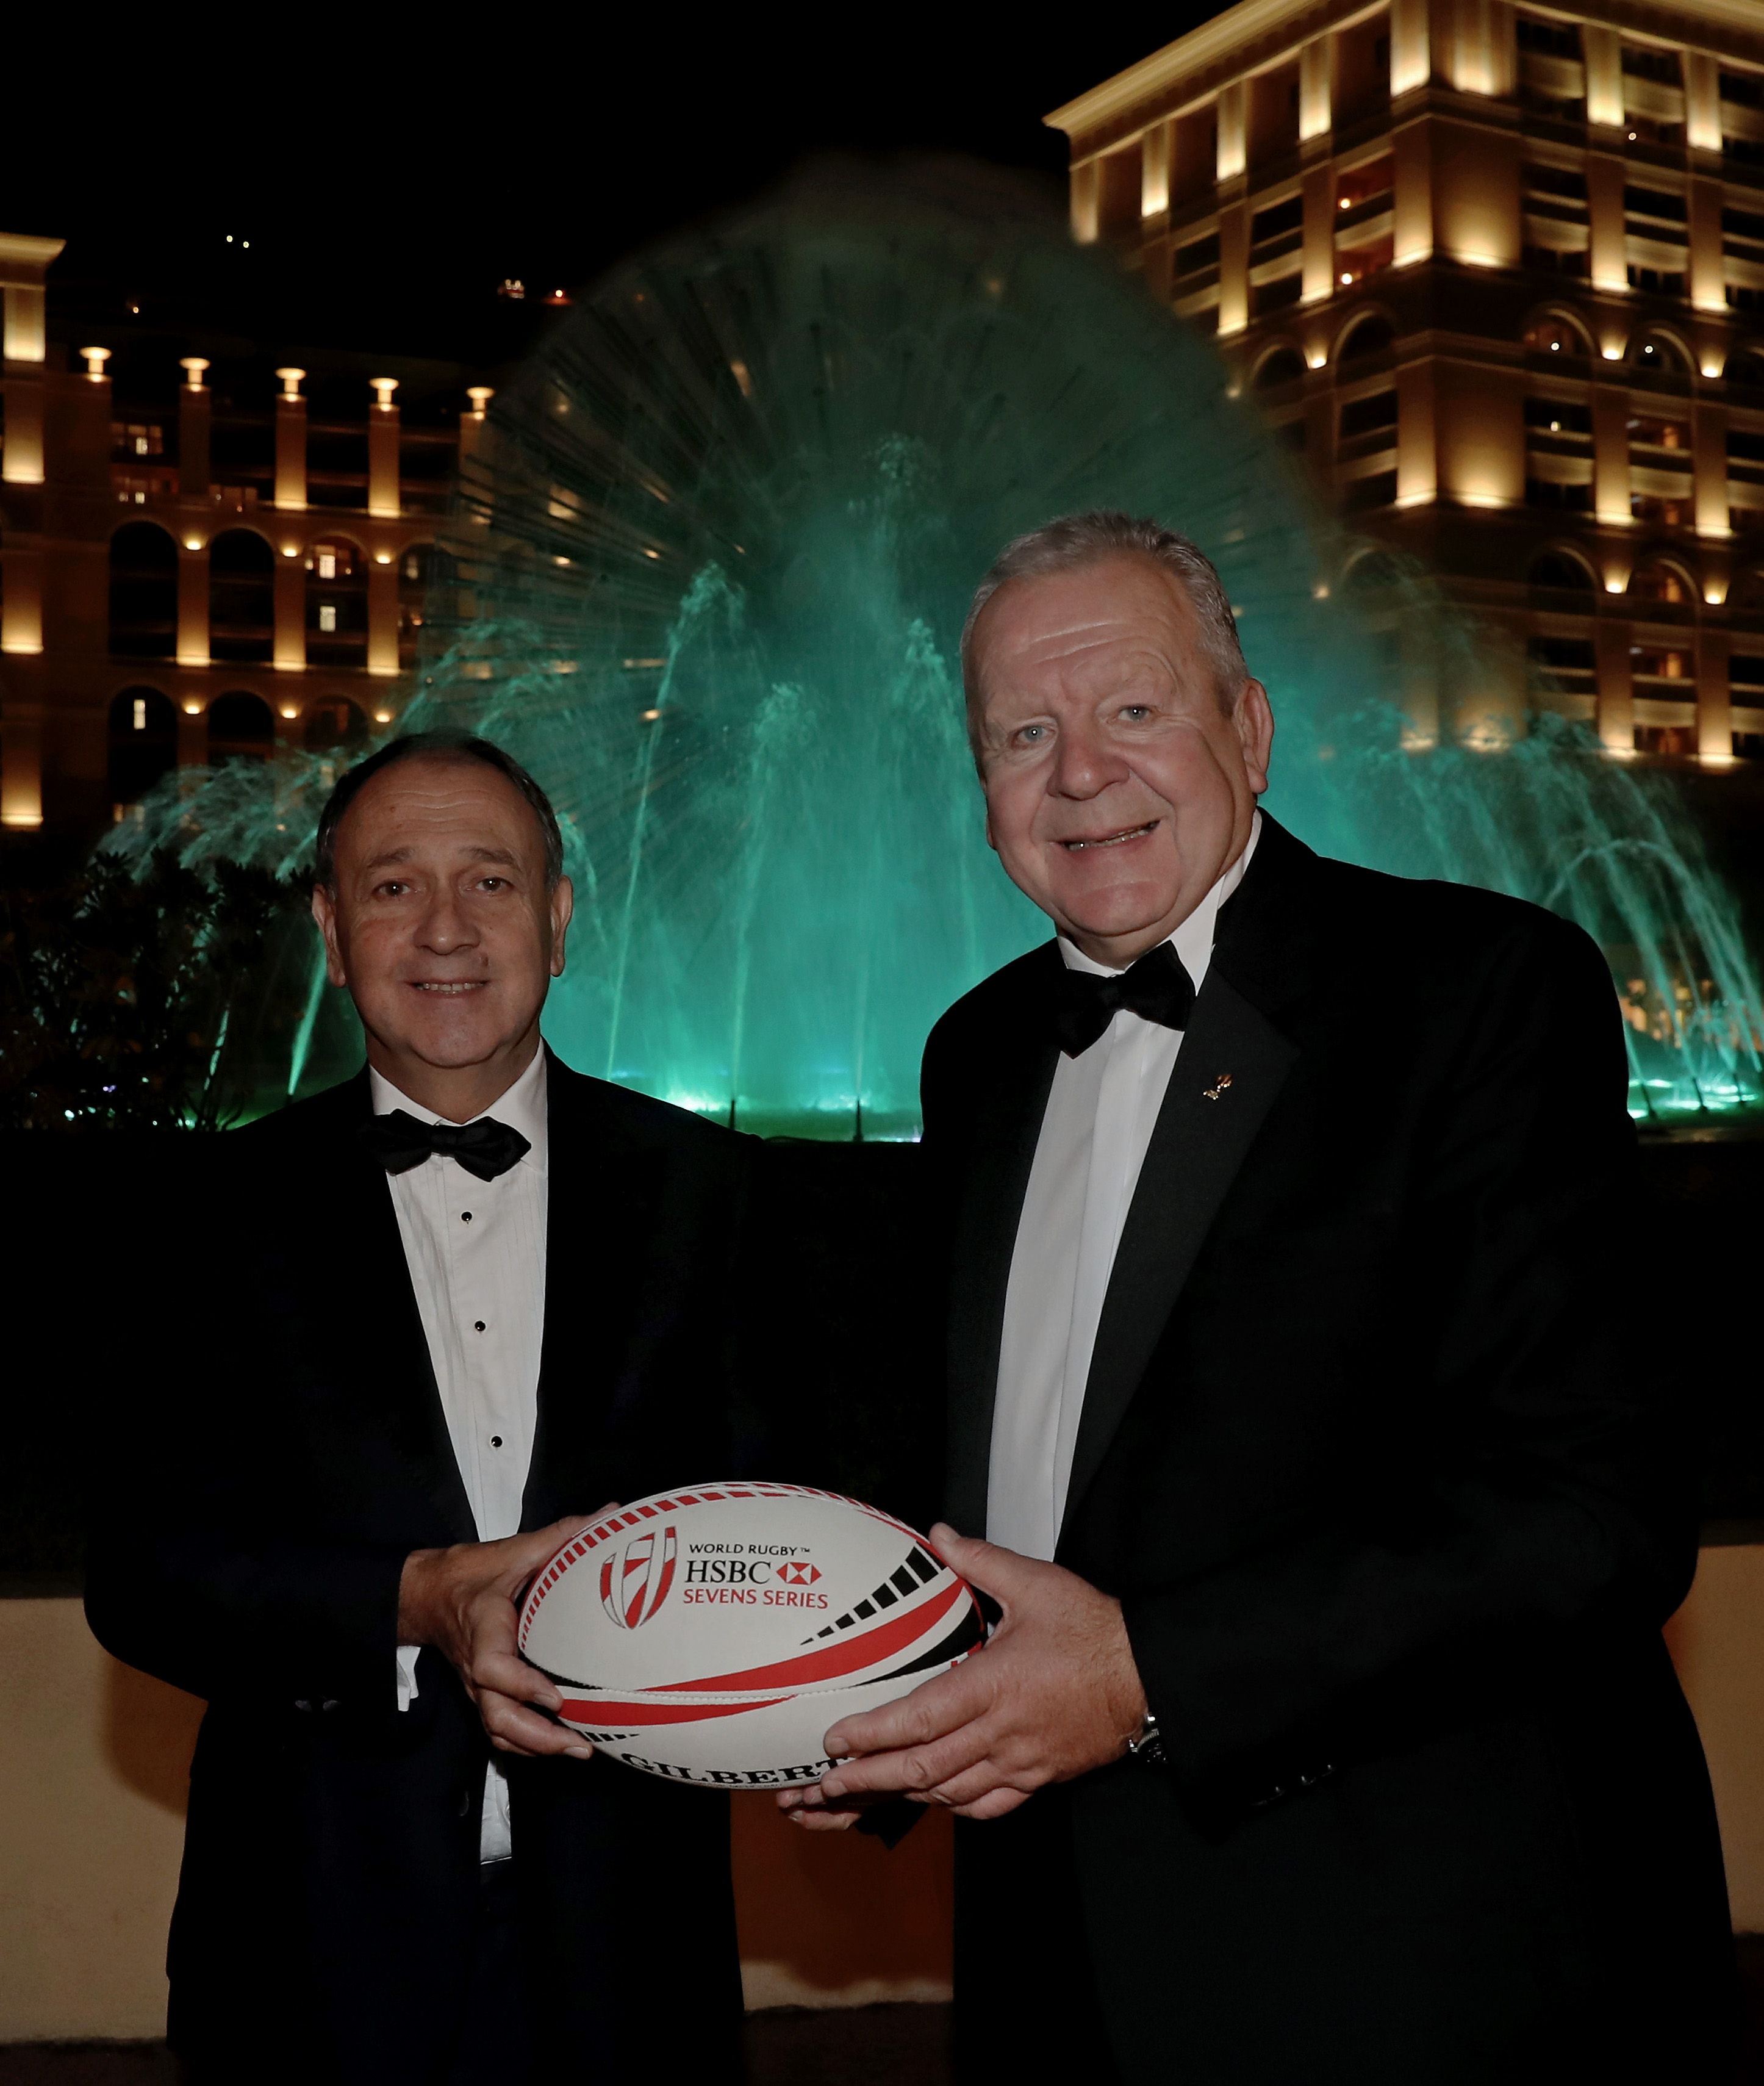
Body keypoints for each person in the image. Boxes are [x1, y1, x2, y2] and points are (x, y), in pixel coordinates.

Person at [781, 513, 1735, 2082]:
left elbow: (1594, 1512)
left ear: (1250, 727)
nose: (1081, 773)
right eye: (1024, 735)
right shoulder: (976, 1051)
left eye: (1133, 707)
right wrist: (874, 1712)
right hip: (1053, 1958)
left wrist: (1144, 1676)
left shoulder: (1482, 987)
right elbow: (1001, 1473)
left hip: (1412, 1961)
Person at [86, 732, 749, 2084]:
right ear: (333, 932)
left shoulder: (717, 1192)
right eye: (394, 887)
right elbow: (146, 1575)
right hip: (308, 1959)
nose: (446, 928)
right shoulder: (203, 1216)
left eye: (491, 882)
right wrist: (412, 1599)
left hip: (630, 1963)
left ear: (558, 917)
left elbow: (793, 1514)